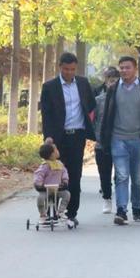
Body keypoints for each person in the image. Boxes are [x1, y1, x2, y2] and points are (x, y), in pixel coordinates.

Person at [100, 56, 140, 225]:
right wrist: (105, 138)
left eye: (127, 67)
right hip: (118, 138)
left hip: (139, 139)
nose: (124, 70)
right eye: (122, 68)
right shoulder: (113, 89)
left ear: (135, 69)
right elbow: (107, 114)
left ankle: (137, 207)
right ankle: (121, 210)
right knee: (122, 175)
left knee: (138, 178)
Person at [40, 52, 96, 226]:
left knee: (74, 175)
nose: (69, 73)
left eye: (72, 69)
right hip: (58, 138)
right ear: (60, 67)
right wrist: (48, 136)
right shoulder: (50, 87)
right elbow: (46, 114)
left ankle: (71, 213)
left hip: (77, 136)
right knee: (53, 175)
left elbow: (91, 104)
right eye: (66, 69)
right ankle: (51, 212)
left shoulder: (83, 83)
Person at [94, 67, 120, 214]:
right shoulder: (99, 100)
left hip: (120, 141)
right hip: (102, 143)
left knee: (120, 174)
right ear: (105, 81)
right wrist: (97, 137)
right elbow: (94, 121)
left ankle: (121, 201)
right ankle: (107, 198)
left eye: (115, 81)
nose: (112, 83)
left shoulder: (124, 99)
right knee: (104, 173)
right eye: (110, 81)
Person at [33, 140, 71, 227]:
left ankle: (61, 211)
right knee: (40, 198)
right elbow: (39, 174)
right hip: (46, 189)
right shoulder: (45, 166)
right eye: (56, 150)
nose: (58, 151)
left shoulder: (59, 164)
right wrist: (38, 184)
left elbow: (64, 172)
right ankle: (43, 214)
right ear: (51, 155)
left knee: (66, 194)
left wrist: (65, 181)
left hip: (58, 188)